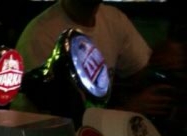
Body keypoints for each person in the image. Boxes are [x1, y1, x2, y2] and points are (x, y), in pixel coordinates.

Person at [11, 0, 184, 125]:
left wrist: (163, 59)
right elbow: (65, 122)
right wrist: (129, 110)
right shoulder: (41, 35)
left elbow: (140, 71)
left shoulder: (112, 19)